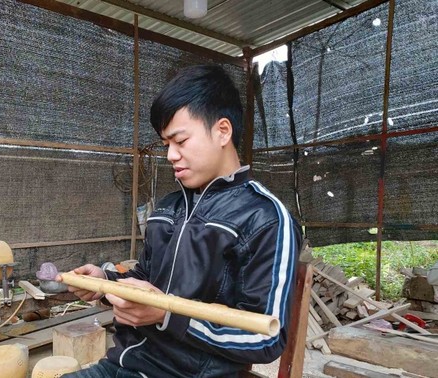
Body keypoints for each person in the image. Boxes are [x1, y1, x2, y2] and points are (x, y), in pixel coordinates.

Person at [57, 64, 302, 377]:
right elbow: (146, 278)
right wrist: (105, 284)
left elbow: (266, 337)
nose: (171, 155)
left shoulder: (264, 218)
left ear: (222, 131)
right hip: (122, 365)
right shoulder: (169, 207)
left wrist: (166, 314)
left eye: (180, 141)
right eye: (166, 145)